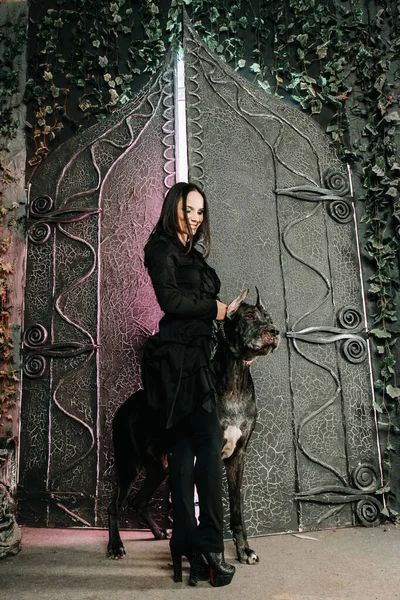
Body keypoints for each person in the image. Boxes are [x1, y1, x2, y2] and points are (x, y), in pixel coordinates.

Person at [141, 181, 235, 587]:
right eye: (188, 210)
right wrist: (214, 310)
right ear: (172, 208)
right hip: (178, 362)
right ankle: (211, 545)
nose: (195, 219)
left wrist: (223, 315)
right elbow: (171, 303)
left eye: (200, 212)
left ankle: (183, 539)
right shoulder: (160, 249)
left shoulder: (187, 253)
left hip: (197, 358)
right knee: (210, 439)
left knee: (184, 446)